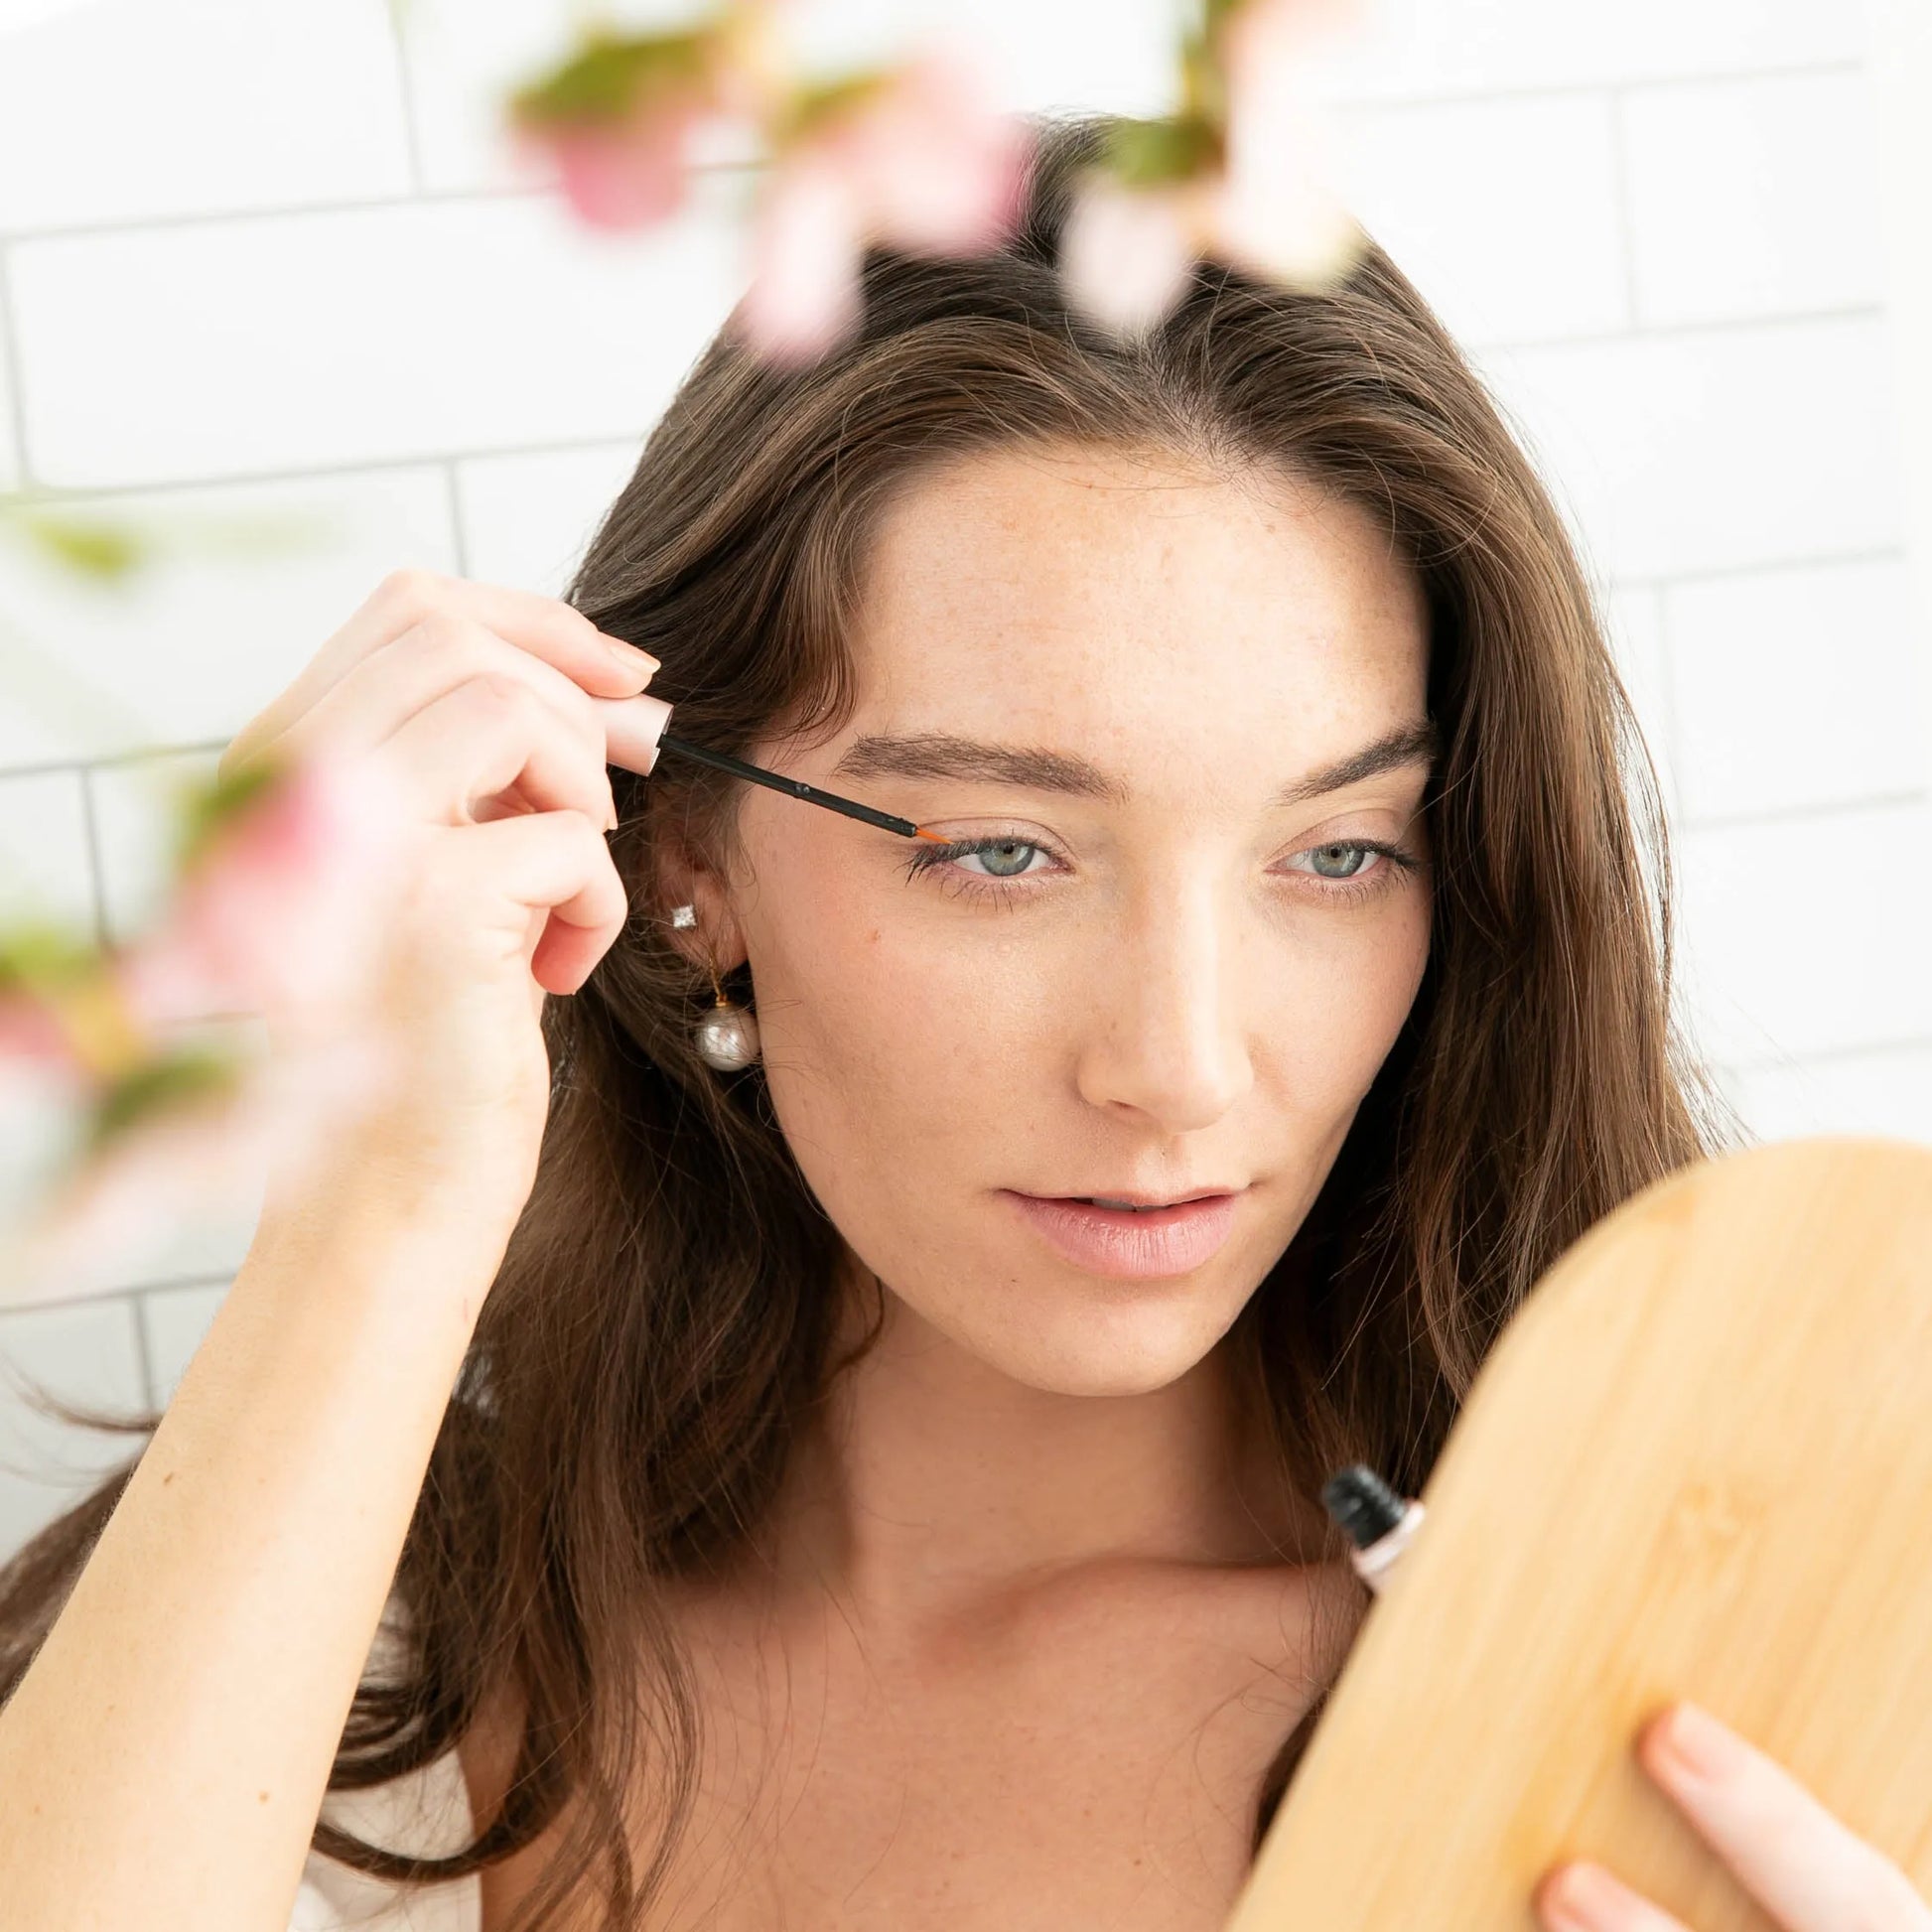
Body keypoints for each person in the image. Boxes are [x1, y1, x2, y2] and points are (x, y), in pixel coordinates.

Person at [3, 110, 1926, 1932]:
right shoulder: (348, 1669)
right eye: (1002, 851)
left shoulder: (1747, 1674)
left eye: (1336, 856)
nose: (1176, 1065)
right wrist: (369, 1203)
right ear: (688, 858)